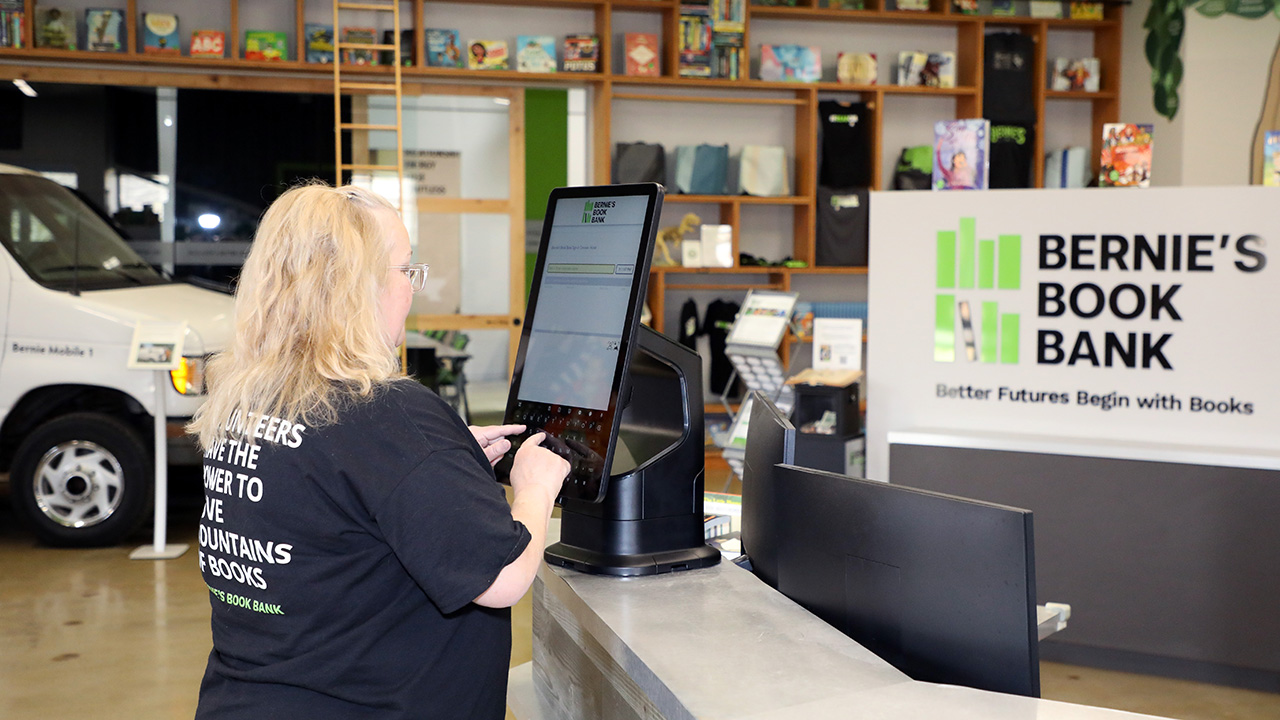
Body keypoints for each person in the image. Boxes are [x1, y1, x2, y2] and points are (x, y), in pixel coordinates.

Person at [188, 183, 569, 719]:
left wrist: (443, 471)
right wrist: (534, 489)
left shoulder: (247, 398)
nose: (412, 290)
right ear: (356, 286)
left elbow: (334, 508)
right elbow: (502, 580)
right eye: (406, 270)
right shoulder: (387, 413)